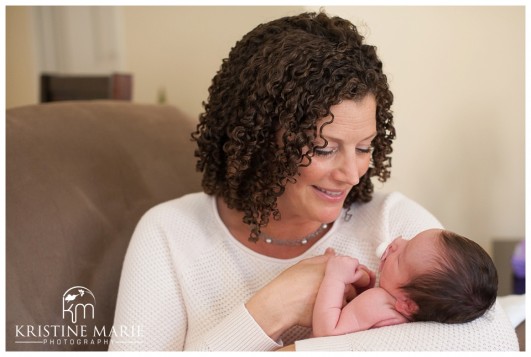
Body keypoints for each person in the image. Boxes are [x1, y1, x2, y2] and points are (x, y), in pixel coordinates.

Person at [110, 11, 516, 351]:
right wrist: (272, 308)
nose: (352, 173)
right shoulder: (170, 233)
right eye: (324, 148)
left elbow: (494, 340)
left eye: (364, 147)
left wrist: (294, 351)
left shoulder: (396, 226)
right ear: (258, 138)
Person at [312, 229, 498, 337]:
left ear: (408, 304)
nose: (397, 242)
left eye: (400, 258)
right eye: (409, 239)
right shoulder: (409, 311)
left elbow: (327, 333)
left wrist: (334, 277)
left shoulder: (376, 301)